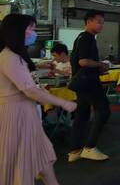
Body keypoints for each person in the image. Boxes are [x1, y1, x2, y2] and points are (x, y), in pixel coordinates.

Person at [0, 14, 77, 185]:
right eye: (31, 29)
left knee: (42, 158)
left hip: (25, 114)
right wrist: (64, 102)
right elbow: (29, 90)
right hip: (16, 116)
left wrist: (40, 67)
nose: (34, 33)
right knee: (23, 162)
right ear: (17, 31)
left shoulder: (15, 55)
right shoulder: (8, 57)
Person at [68, 10, 111, 162]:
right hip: (89, 83)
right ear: (88, 21)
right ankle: (90, 147)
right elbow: (83, 61)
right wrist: (101, 65)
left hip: (81, 83)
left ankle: (74, 150)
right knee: (104, 111)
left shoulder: (80, 37)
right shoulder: (87, 38)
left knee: (82, 115)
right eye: (98, 21)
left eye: (102, 22)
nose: (101, 25)